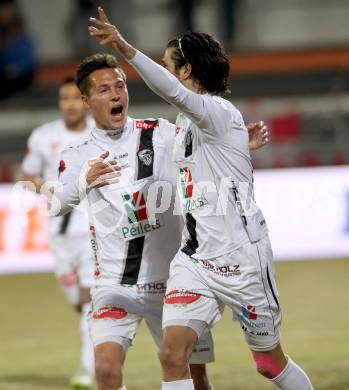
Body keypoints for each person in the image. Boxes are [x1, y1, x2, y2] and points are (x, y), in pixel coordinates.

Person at [88, 7, 313, 390]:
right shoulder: (189, 123)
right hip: (195, 260)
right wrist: (243, 146)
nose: (164, 69)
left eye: (169, 64)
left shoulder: (217, 111)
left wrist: (125, 47)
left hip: (241, 260)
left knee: (267, 363)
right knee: (172, 356)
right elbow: (206, 163)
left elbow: (172, 92)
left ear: (187, 71)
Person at [52, 52, 268, 390]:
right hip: (114, 285)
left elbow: (204, 154)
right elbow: (55, 204)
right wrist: (85, 181)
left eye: (120, 86)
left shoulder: (159, 132)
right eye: (105, 89)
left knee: (195, 376)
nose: (116, 95)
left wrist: (239, 143)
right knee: (106, 371)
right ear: (86, 99)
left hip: (171, 284)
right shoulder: (76, 155)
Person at [21, 77, 95, 389]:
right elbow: (29, 172)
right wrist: (49, 191)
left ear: (86, 101)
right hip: (60, 233)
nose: (70, 104)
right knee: (78, 303)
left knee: (92, 303)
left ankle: (89, 370)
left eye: (76, 98)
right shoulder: (44, 136)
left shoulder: (101, 134)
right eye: (64, 98)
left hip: (95, 230)